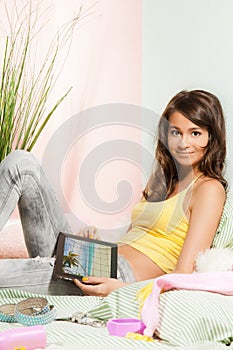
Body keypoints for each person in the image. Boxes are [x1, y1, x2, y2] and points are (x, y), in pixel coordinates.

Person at [0, 89, 227, 297]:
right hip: (94, 259)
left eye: (195, 133)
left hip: (117, 277)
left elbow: (183, 275)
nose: (184, 143)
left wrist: (121, 290)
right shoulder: (162, 182)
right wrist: (97, 243)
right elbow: (134, 239)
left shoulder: (208, 189)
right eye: (176, 132)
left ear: (211, 138)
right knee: (22, 162)